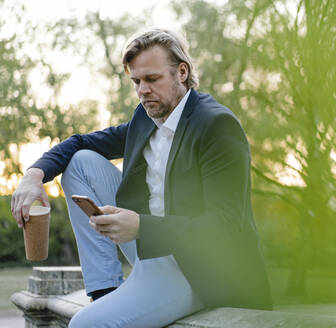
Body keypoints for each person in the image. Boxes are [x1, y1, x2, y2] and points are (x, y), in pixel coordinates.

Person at [11, 28, 272, 327]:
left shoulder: (216, 126)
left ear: (181, 72)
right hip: (150, 247)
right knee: (81, 162)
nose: (142, 90)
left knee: (84, 325)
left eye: (152, 79)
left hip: (200, 268)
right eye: (136, 81)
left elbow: (224, 228)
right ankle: (106, 289)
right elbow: (80, 142)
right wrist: (33, 176)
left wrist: (141, 226)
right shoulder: (145, 118)